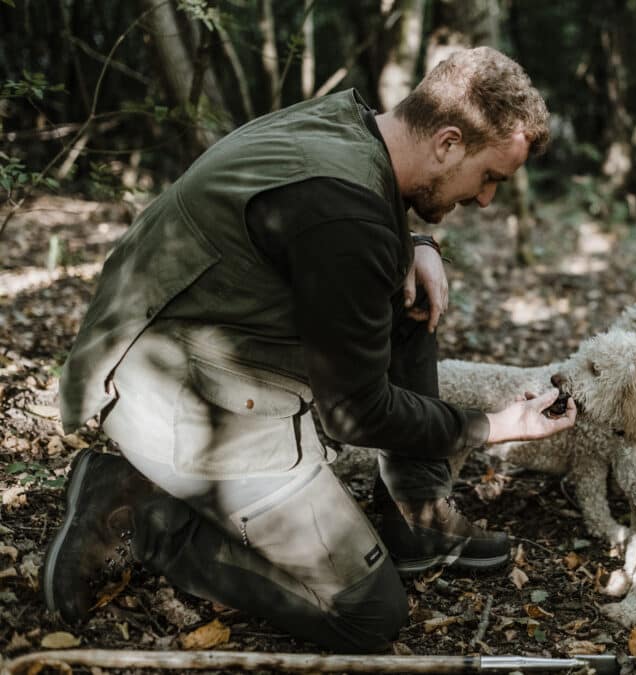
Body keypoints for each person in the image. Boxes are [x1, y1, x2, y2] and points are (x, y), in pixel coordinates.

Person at [42, 47, 576, 653]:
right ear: (449, 143)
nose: (486, 201)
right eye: (490, 179)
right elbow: (355, 414)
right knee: (368, 614)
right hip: (173, 392)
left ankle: (417, 518)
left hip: (177, 337)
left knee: (407, 295)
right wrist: (494, 425)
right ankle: (147, 518)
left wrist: (417, 240)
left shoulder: (350, 126)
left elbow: (340, 221)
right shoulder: (345, 214)